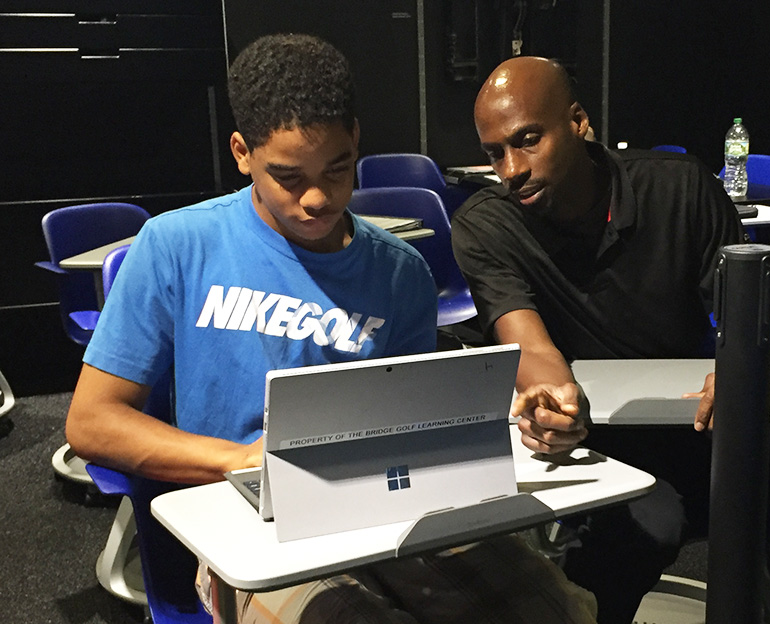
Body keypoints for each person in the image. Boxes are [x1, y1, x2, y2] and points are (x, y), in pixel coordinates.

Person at [66, 34, 596, 623]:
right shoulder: (176, 246)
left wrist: (498, 415)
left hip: (388, 502)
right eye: (288, 176)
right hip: (251, 528)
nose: (317, 198)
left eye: (337, 169)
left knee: (554, 610)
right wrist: (240, 459)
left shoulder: (399, 272)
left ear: (357, 141)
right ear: (242, 152)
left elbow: (412, 424)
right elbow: (92, 422)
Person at [451, 55, 770, 623]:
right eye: (496, 154)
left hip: (720, 421)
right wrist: (556, 401)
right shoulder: (486, 225)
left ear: (579, 121)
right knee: (618, 555)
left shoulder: (680, 189)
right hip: (610, 438)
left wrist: (758, 374)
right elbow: (531, 346)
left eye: (528, 140)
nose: (511, 168)